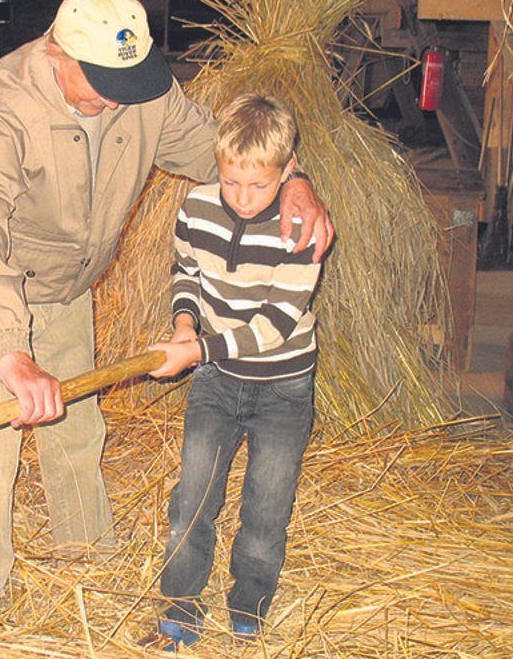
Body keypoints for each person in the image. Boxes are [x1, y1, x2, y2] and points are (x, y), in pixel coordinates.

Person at [0, 0, 332, 632]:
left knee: (77, 429)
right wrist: (12, 351)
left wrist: (298, 180)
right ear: (59, 54)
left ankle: (89, 566)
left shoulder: (140, 91)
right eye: (104, 82)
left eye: (132, 79)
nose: (121, 97)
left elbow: (223, 151)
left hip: (67, 281)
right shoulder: (2, 104)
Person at [143, 93, 323, 648]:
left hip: (283, 385)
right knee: (192, 497)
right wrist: (183, 323)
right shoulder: (197, 206)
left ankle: (250, 602)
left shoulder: (300, 225)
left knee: (267, 508)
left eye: (259, 185)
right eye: (232, 182)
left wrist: (199, 352)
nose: (243, 199)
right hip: (217, 383)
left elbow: (275, 323)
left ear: (288, 170)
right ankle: (180, 604)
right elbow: (187, 270)